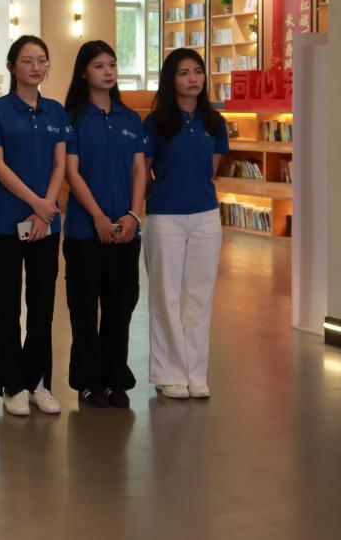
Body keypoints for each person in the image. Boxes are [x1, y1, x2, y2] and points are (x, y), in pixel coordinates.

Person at [0, 35, 69, 417]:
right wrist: (37, 203)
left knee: (42, 307)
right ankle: (11, 385)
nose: (36, 67)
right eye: (28, 60)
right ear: (12, 66)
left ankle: (39, 383)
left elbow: (60, 164)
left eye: (42, 60)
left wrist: (46, 208)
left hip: (46, 225)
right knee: (7, 308)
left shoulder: (56, 111)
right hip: (5, 224)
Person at [62, 41, 150, 409]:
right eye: (99, 65)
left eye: (112, 64)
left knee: (120, 306)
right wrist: (98, 216)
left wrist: (133, 215)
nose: (108, 71)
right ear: (84, 72)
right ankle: (88, 381)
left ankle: (116, 379)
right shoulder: (72, 117)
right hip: (85, 230)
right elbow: (72, 172)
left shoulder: (130, 119)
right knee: (84, 309)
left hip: (126, 230)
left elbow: (140, 169)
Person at [143, 48, 229, 400]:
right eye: (183, 73)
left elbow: (210, 169)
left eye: (197, 71)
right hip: (165, 217)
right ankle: (169, 374)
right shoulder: (155, 123)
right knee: (166, 296)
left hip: (206, 217)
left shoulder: (214, 122)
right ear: (171, 79)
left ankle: (196, 373)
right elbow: (143, 172)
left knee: (200, 297)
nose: (193, 79)